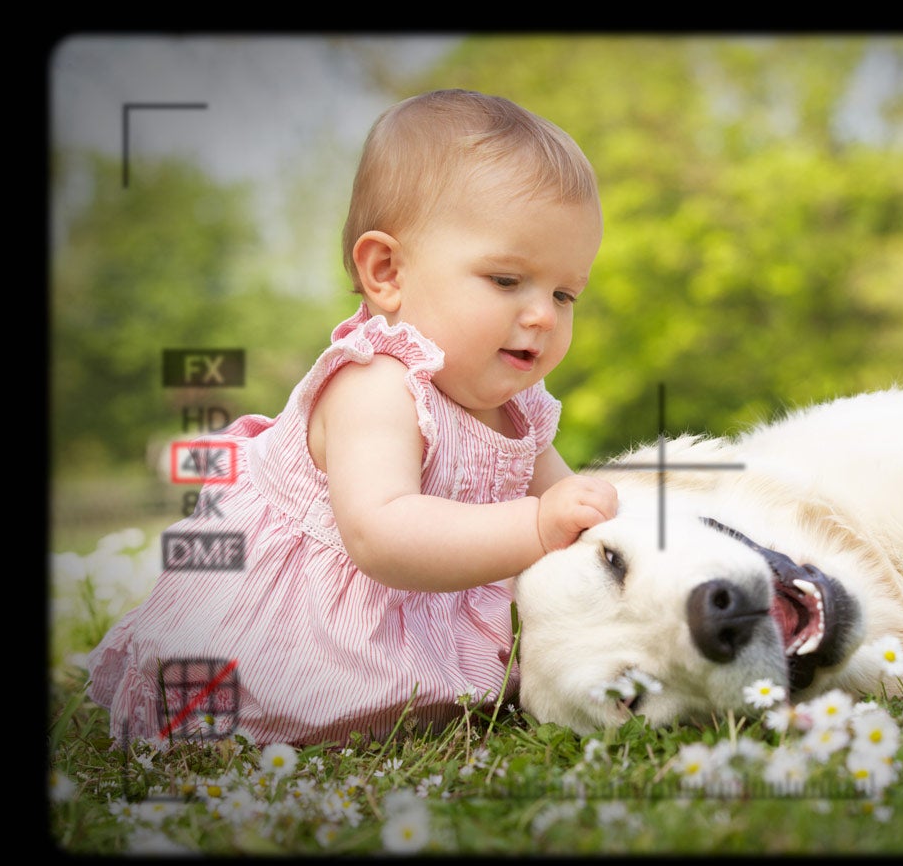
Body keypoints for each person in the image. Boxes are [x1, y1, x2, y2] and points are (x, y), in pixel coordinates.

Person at [87, 89, 618, 746]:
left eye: (565, 293)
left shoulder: (522, 410)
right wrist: (538, 525)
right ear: (386, 271)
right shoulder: (375, 383)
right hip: (305, 628)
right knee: (251, 711)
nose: (543, 314)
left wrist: (593, 516)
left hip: (418, 620)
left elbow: (568, 503)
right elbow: (383, 534)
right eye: (508, 281)